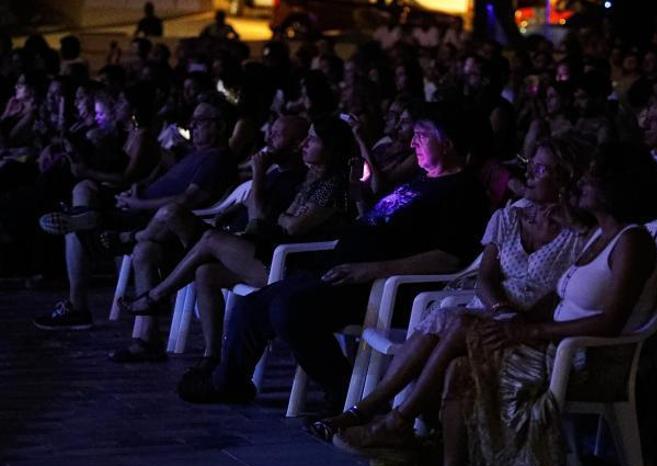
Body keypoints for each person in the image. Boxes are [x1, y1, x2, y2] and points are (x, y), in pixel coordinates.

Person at [333, 142, 657, 466]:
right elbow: (554, 296)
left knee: (460, 324)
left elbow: (610, 322)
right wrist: (513, 326)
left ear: (617, 187)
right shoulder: (598, 235)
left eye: (591, 178)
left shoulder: (633, 242)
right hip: (551, 347)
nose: (581, 183)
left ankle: (396, 422)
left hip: (583, 361)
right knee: (459, 363)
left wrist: (530, 331)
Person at [177, 105, 490, 407]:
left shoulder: (462, 192)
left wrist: (370, 270)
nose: (412, 143)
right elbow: (378, 222)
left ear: (447, 144)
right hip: (341, 269)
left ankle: (340, 388)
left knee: (290, 310)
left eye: (421, 135)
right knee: (252, 305)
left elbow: (448, 259)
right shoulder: (419, 182)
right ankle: (229, 384)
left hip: (381, 287)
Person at [310, 133, 592, 441]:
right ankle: (373, 413)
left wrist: (514, 320)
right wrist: (501, 311)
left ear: (565, 178)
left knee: (454, 321)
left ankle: (388, 417)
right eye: (531, 165)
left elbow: (570, 290)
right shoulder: (510, 217)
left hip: (534, 327)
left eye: (540, 169)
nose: (529, 174)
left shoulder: (582, 233)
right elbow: (485, 278)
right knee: (445, 319)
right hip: (495, 310)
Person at [117, 116, 350, 369]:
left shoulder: (332, 184)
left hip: (293, 265)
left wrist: (262, 187)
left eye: (312, 139)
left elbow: (287, 225)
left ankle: (156, 293)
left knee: (201, 233)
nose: (306, 143)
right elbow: (278, 219)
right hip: (261, 249)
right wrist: (274, 213)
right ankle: (212, 357)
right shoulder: (312, 180)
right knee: (205, 272)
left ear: (330, 147)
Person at [32, 100, 235, 332]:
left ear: (220, 127)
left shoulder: (217, 158)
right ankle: (85, 217)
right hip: (137, 206)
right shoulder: (193, 155)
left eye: (200, 121)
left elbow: (187, 200)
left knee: (74, 230)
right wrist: (138, 189)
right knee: (84, 188)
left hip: (149, 219)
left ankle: (78, 304)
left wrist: (138, 202)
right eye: (193, 120)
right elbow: (162, 183)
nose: (193, 125)